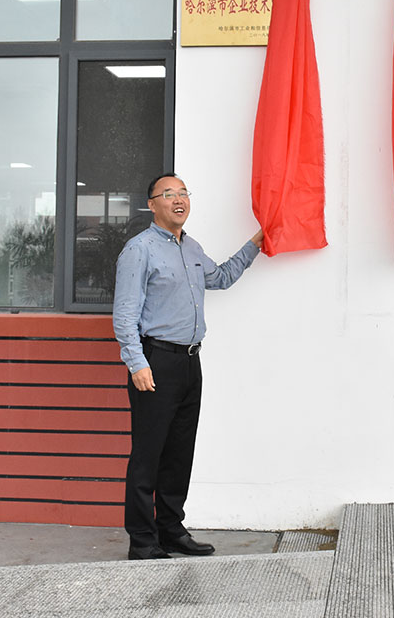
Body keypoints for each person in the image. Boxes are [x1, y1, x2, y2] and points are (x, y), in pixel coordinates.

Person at [113, 173, 263, 560]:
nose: (178, 199)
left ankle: (171, 531)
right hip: (155, 363)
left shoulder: (192, 248)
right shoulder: (139, 250)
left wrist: (256, 243)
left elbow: (222, 277)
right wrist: (137, 363)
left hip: (190, 363)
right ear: (152, 204)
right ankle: (142, 541)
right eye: (169, 194)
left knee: (179, 454)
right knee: (148, 456)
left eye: (183, 193)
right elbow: (125, 314)